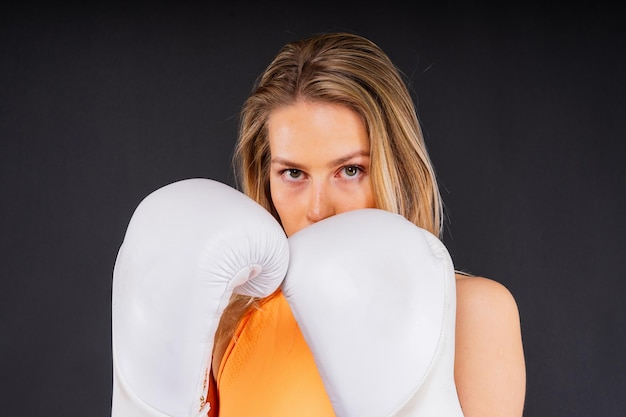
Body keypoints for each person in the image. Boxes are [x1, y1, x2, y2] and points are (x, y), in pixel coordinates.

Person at [208, 32, 526, 416]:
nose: (318, 209)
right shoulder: (230, 321)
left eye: (350, 170)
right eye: (293, 173)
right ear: (265, 178)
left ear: (399, 170)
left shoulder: (472, 311)